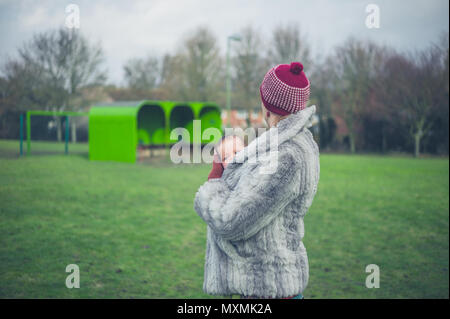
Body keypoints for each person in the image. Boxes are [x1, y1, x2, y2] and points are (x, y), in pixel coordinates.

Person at [194, 62, 320, 299]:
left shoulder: (287, 156)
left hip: (269, 288)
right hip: (267, 284)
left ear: (267, 104)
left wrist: (215, 178)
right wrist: (235, 163)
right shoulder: (289, 144)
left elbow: (231, 219)